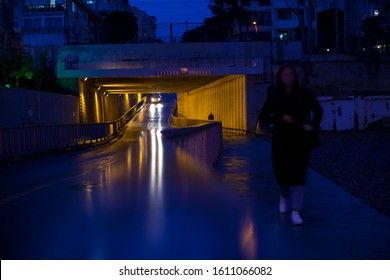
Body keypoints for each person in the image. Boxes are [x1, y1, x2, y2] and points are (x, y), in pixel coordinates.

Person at [258, 64, 323, 225]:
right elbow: (264, 116)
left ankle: (296, 210)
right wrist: (279, 119)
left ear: (295, 76)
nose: (288, 77)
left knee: (300, 173)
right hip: (281, 139)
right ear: (280, 77)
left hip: (300, 138)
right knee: (281, 172)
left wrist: (312, 125)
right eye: (284, 75)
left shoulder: (303, 93)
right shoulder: (275, 95)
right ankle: (284, 195)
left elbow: (318, 110)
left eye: (290, 74)